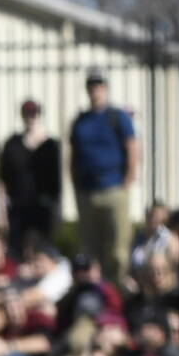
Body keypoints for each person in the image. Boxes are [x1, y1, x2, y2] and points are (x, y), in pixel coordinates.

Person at [70, 69, 138, 282]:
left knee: (117, 250)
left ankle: (117, 291)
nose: (95, 90)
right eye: (91, 86)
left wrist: (128, 181)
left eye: (99, 85)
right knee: (90, 249)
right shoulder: (80, 121)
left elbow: (133, 148)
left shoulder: (117, 117)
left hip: (113, 188)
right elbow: (73, 155)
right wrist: (76, 185)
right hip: (87, 191)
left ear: (105, 88)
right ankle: (94, 290)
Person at [0, 100, 62, 257]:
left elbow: (58, 183)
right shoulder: (11, 144)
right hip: (18, 208)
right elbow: (2, 181)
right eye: (26, 113)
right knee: (17, 249)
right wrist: (1, 212)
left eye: (33, 113)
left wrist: (58, 210)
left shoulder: (51, 145)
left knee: (43, 249)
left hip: (43, 208)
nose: (30, 117)